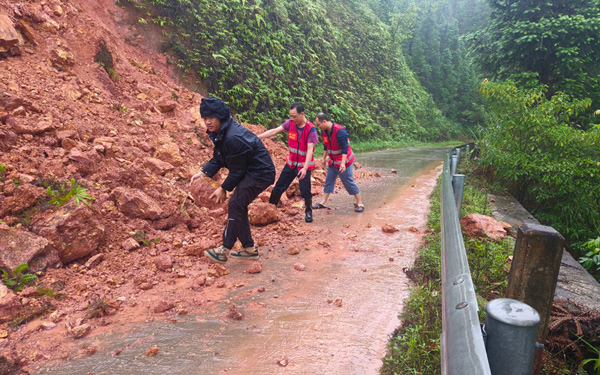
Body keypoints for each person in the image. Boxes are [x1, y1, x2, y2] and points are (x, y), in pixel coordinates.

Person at [190, 96, 276, 264]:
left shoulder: (232, 137)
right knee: (239, 204)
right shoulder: (221, 132)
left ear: (220, 117)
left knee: (235, 204)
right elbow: (219, 157)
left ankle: (225, 249)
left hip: (260, 173)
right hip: (250, 171)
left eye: (211, 118)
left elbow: (238, 170)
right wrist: (204, 172)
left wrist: (223, 188)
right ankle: (249, 249)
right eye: (205, 118)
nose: (207, 122)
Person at [258, 103, 318, 223]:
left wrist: (305, 169)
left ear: (302, 114)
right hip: (291, 164)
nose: (292, 119)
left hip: (303, 166)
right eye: (290, 116)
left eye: (294, 116)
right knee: (279, 186)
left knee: (305, 190)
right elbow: (274, 131)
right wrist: (257, 137)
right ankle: (271, 207)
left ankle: (308, 211)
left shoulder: (310, 129)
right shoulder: (290, 124)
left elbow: (310, 150)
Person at [313, 112, 364, 212]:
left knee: (348, 182)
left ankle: (360, 203)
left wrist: (343, 163)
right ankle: (323, 202)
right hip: (333, 161)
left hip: (344, 161)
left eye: (318, 124)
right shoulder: (324, 131)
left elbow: (344, 148)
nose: (318, 127)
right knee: (328, 181)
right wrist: (324, 158)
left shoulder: (340, 132)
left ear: (324, 121)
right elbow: (326, 145)